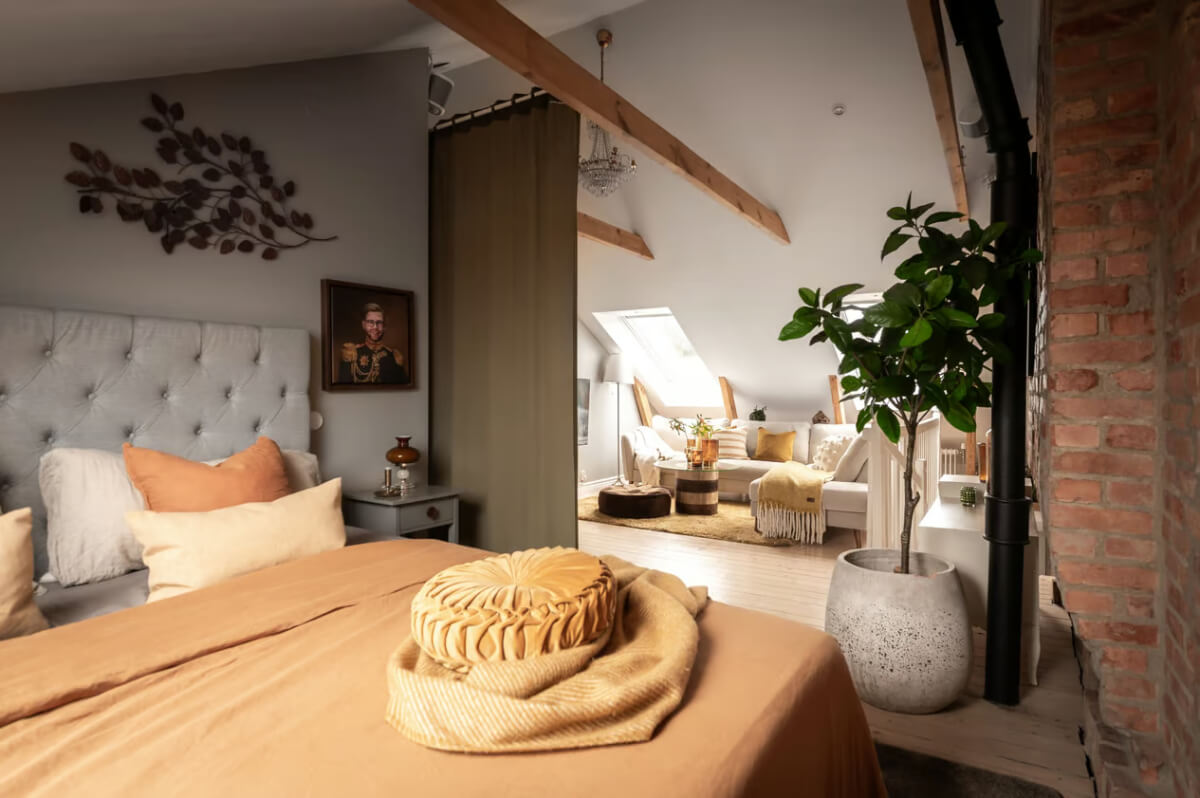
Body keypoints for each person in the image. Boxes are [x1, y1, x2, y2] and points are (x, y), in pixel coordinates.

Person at [338, 302, 409, 384]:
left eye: (379, 322)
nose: (375, 327)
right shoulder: (351, 353)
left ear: (384, 326)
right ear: (363, 324)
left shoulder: (394, 356)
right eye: (370, 322)